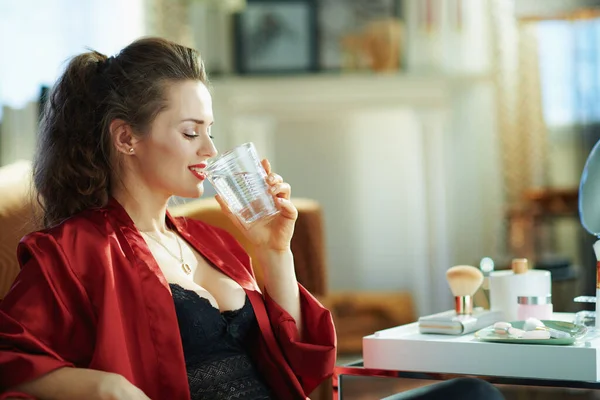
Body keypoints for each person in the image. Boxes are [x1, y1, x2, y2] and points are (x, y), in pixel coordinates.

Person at [0, 37, 336, 400]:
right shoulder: (72, 251)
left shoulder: (213, 241)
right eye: (190, 132)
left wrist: (275, 252)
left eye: (210, 131)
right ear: (126, 137)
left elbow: (298, 369)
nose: (209, 149)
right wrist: (103, 388)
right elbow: (11, 361)